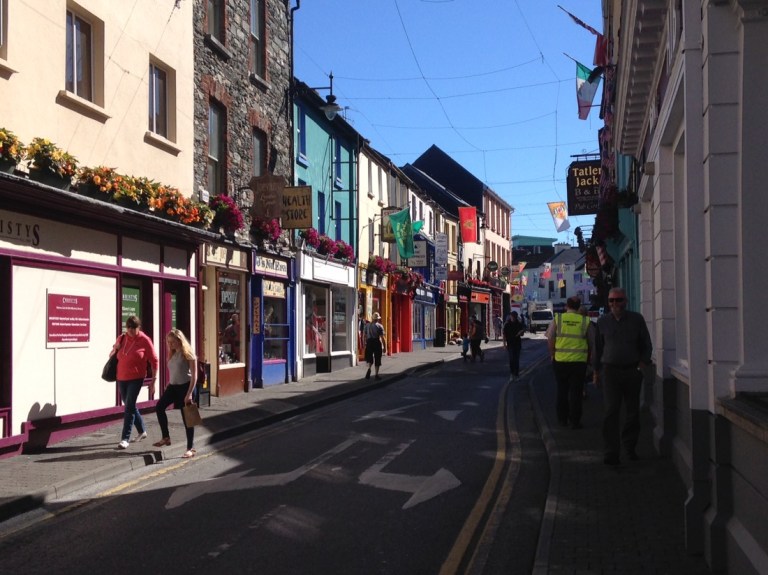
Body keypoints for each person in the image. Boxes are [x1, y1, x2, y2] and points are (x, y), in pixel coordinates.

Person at [593, 287, 653, 465]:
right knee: (611, 411)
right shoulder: (603, 322)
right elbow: (598, 348)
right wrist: (595, 372)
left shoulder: (636, 319)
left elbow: (646, 344)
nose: (614, 304)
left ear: (625, 301)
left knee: (632, 412)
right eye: (611, 300)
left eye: (618, 300)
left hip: (632, 371)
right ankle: (611, 452)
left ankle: (629, 447)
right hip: (610, 372)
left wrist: (642, 363)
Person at [112, 315, 158, 450]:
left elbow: (154, 360)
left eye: (133, 327)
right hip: (121, 377)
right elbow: (112, 355)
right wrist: (115, 348)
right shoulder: (122, 338)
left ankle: (124, 438)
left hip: (136, 378)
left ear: (139, 327)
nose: (130, 330)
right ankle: (142, 431)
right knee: (129, 404)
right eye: (128, 327)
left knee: (129, 406)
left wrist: (153, 381)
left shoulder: (145, 340)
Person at [546, 296, 592, 429]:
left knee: (562, 391)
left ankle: (562, 419)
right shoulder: (585, 321)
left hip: (560, 361)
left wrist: (552, 354)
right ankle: (575, 421)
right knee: (576, 393)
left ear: (567, 306)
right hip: (579, 362)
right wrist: (589, 359)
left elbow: (550, 338)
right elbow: (592, 342)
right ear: (579, 306)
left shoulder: (558, 319)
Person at [153, 329, 198, 458]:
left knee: (188, 419)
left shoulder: (188, 354)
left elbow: (194, 376)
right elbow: (175, 371)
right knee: (159, 407)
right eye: (169, 342)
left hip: (186, 387)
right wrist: (170, 382)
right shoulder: (172, 354)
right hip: (173, 386)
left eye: (172, 342)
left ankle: (190, 448)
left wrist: (189, 393)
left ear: (180, 340)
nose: (170, 344)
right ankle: (166, 437)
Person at [503, 312, 526, 380]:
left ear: (516, 317)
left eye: (514, 317)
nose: (513, 318)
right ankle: (512, 373)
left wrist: (520, 333)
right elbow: (504, 335)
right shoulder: (507, 324)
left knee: (516, 360)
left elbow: (522, 334)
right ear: (510, 316)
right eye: (512, 316)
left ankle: (516, 374)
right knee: (511, 359)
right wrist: (504, 344)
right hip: (510, 344)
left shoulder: (519, 324)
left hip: (517, 344)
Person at [364, 312, 386, 379]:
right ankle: (376, 375)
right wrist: (385, 347)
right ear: (377, 319)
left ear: (372, 318)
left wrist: (365, 343)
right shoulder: (379, 326)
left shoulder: (367, 325)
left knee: (369, 357)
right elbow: (382, 338)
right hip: (376, 342)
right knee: (377, 358)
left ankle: (369, 368)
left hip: (369, 342)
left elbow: (364, 335)